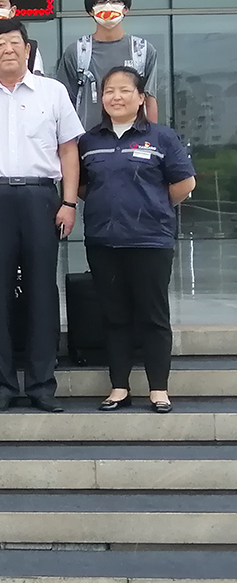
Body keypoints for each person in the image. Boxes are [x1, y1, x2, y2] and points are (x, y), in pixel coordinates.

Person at [0, 18, 84, 413]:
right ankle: (1, 385)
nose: (7, 49)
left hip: (41, 197)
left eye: (14, 43)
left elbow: (68, 150)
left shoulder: (53, 92)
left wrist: (69, 202)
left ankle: (42, 384)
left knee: (42, 290)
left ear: (28, 50)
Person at [79, 67, 195, 414]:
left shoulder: (161, 138)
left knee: (153, 316)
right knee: (114, 316)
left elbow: (184, 183)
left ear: (141, 97)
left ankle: (159, 389)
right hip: (103, 241)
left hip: (150, 241)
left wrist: (153, 206)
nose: (116, 96)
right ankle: (119, 387)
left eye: (125, 90)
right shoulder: (89, 141)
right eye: (109, 91)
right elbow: (82, 187)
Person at [55, 0, 159, 130]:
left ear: (126, 9)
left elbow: (150, 99)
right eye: (101, 2)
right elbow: (63, 103)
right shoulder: (76, 52)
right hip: (88, 139)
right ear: (90, 11)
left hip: (134, 138)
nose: (108, 7)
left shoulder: (142, 51)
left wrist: (154, 138)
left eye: (116, 1)